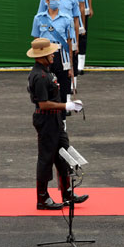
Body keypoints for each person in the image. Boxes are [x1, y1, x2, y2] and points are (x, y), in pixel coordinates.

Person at [26, 37, 88, 210]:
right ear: (41, 56)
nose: (54, 54)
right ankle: (42, 198)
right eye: (50, 52)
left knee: (64, 155)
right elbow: (43, 103)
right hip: (46, 119)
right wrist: (66, 105)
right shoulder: (39, 76)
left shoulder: (47, 71)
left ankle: (67, 193)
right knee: (46, 158)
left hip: (55, 119)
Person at [31, 0, 75, 121]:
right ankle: (45, 119)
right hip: (45, 56)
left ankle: (62, 124)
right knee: (45, 89)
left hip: (61, 56)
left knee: (61, 90)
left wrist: (71, 67)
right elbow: (36, 42)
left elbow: (69, 43)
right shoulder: (39, 19)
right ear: (47, 1)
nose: (55, 1)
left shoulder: (67, 18)